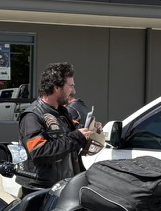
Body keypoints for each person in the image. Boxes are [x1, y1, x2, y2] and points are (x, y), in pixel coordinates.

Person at [15, 62, 101, 194]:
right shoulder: (32, 116)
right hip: (41, 191)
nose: (73, 91)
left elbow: (69, 140)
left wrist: (90, 131)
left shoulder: (62, 113)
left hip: (62, 187)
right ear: (56, 87)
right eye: (70, 86)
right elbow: (39, 152)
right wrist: (77, 137)